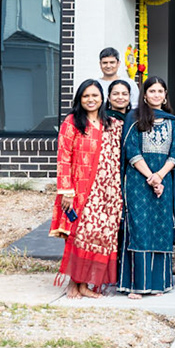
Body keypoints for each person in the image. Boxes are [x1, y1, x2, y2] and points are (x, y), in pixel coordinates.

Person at [52, 80, 119, 297]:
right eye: (86, 96)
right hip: (79, 189)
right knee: (78, 234)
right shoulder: (72, 122)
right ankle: (74, 282)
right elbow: (63, 157)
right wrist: (66, 190)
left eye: (95, 95)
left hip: (105, 191)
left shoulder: (111, 124)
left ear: (102, 98)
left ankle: (86, 284)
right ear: (79, 99)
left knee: (97, 236)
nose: (91, 100)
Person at [120, 78, 175, 294]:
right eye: (152, 91)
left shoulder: (172, 122)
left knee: (161, 228)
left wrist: (160, 176)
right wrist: (151, 177)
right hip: (138, 182)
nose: (156, 95)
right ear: (144, 95)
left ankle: (159, 284)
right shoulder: (134, 118)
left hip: (164, 182)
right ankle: (136, 285)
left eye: (160, 91)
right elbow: (131, 150)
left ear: (165, 95)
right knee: (139, 228)